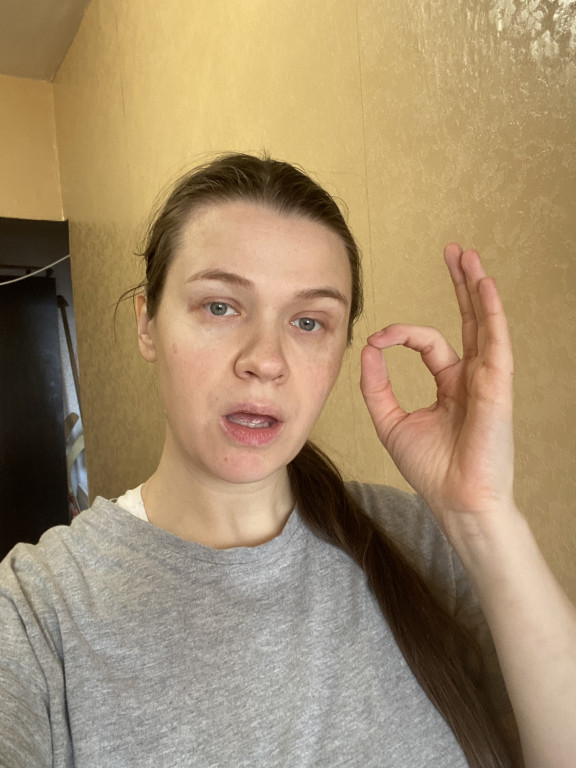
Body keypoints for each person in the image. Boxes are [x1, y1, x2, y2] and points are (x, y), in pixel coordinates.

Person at [0, 153, 574, 768]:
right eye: (220, 307)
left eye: (308, 322)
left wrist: (482, 515)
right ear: (148, 324)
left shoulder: (418, 539)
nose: (266, 360)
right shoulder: (37, 610)